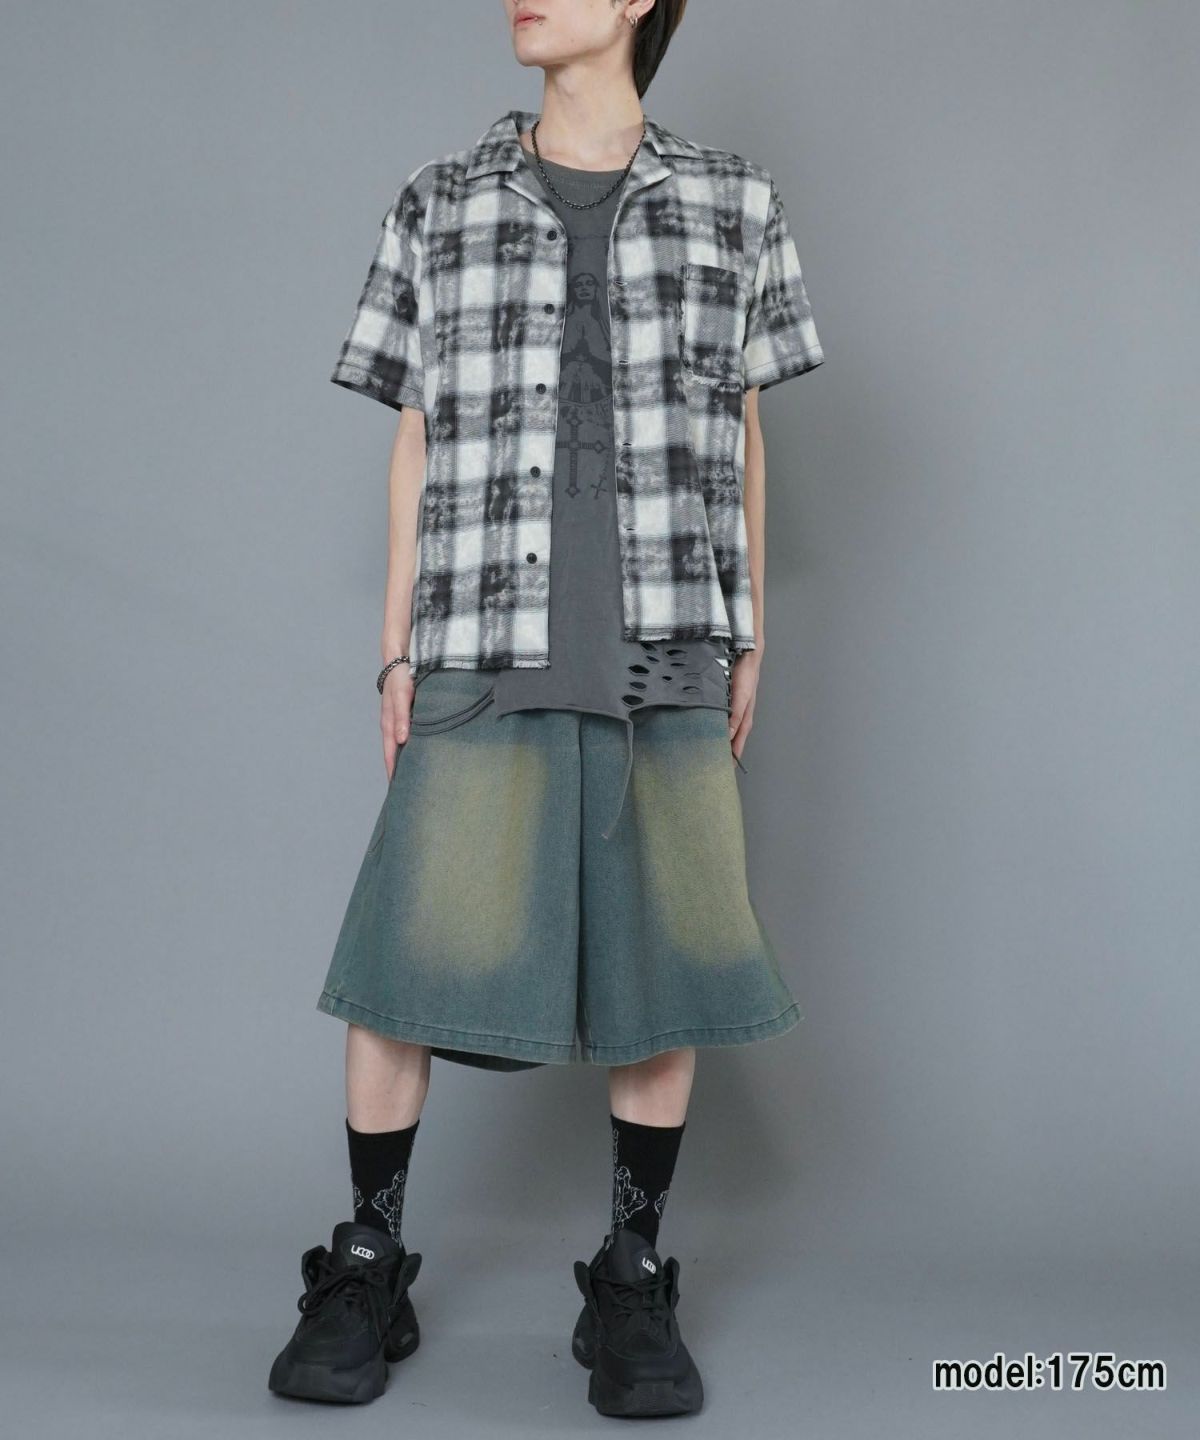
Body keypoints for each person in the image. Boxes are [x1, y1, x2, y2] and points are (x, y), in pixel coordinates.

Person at [268, 0, 824, 1417]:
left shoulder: (736, 202)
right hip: (481, 632)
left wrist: (750, 628)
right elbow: (415, 429)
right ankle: (368, 1261)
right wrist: (395, 647)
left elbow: (745, 429)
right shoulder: (439, 200)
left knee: (664, 963)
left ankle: (631, 1278)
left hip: (666, 638)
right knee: (407, 955)